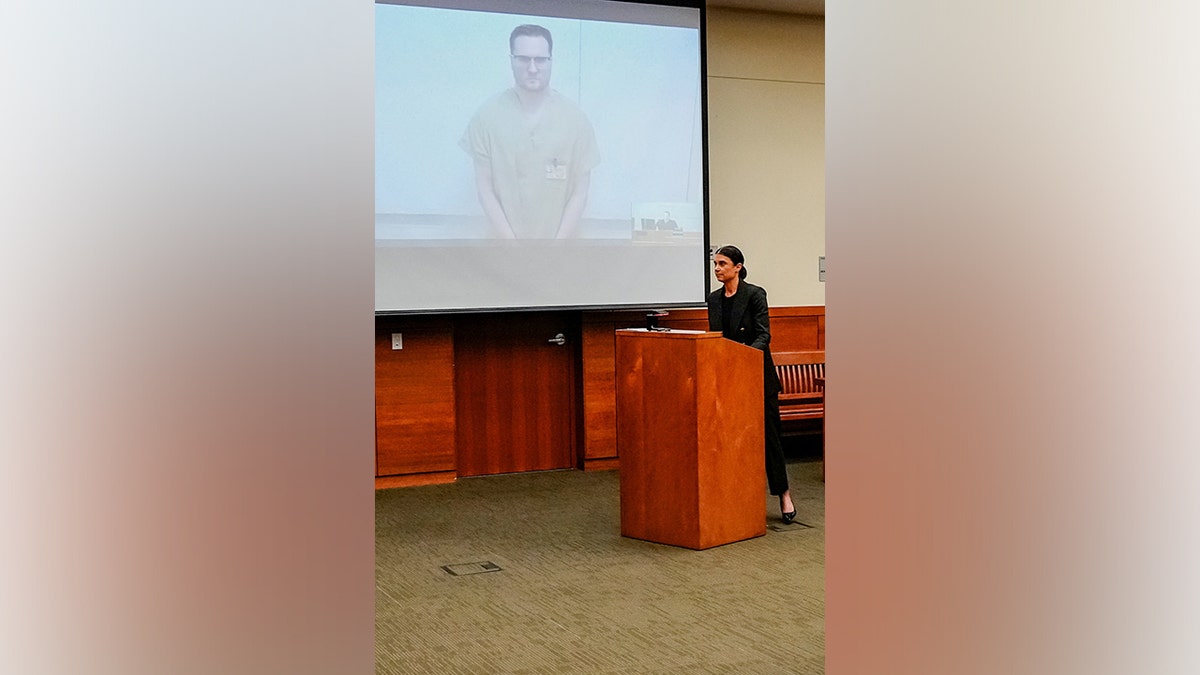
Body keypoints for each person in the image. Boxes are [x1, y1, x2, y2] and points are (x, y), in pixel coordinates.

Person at [460, 24, 600, 239]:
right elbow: (485, 189)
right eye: (524, 59)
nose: (533, 68)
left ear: (551, 61)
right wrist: (512, 246)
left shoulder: (576, 121)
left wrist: (557, 246)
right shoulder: (486, 117)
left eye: (540, 60)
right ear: (511, 60)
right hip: (502, 248)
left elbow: (580, 193)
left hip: (563, 249)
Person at [706, 245, 796, 524]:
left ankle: (784, 495)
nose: (717, 268)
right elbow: (716, 338)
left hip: (757, 376)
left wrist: (742, 360)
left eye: (723, 264)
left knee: (770, 439)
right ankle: (736, 500)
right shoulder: (714, 299)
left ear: (738, 267)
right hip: (728, 380)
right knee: (730, 439)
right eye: (715, 264)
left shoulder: (755, 294)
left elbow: (763, 335)